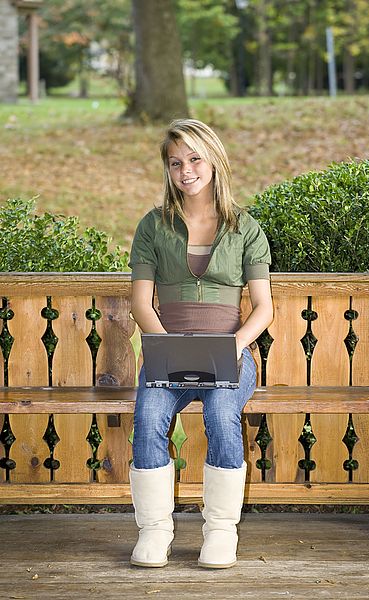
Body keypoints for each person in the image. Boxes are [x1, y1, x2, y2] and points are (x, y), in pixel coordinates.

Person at [128, 118, 273, 569]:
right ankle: (154, 531)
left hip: (227, 351)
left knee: (220, 414)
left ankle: (221, 532)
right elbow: (139, 304)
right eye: (175, 163)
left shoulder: (244, 228)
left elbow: (264, 309)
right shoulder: (154, 226)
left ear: (213, 160)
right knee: (149, 417)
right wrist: (167, 348)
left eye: (194, 158)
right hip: (165, 347)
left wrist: (233, 346)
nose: (185, 170)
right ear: (167, 170)